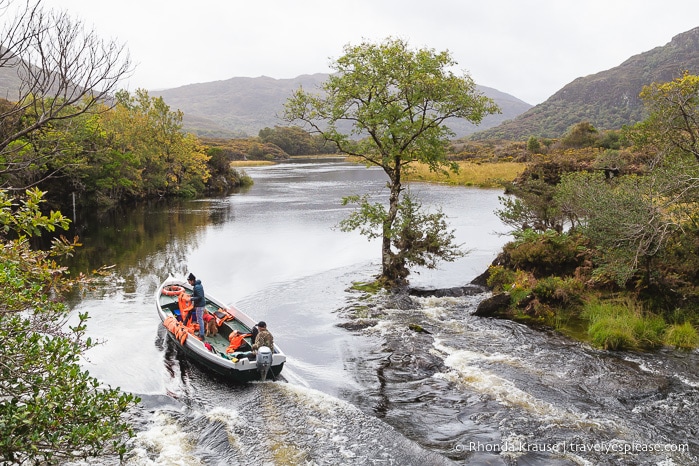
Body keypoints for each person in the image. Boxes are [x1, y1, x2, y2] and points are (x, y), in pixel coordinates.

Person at [187, 273, 206, 339]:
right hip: (200, 304)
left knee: (200, 320)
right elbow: (197, 294)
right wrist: (191, 295)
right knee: (199, 319)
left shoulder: (197, 287)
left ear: (192, 280)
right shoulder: (197, 285)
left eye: (189, 282)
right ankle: (201, 332)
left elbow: (200, 297)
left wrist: (191, 299)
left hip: (200, 306)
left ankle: (202, 335)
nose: (189, 283)